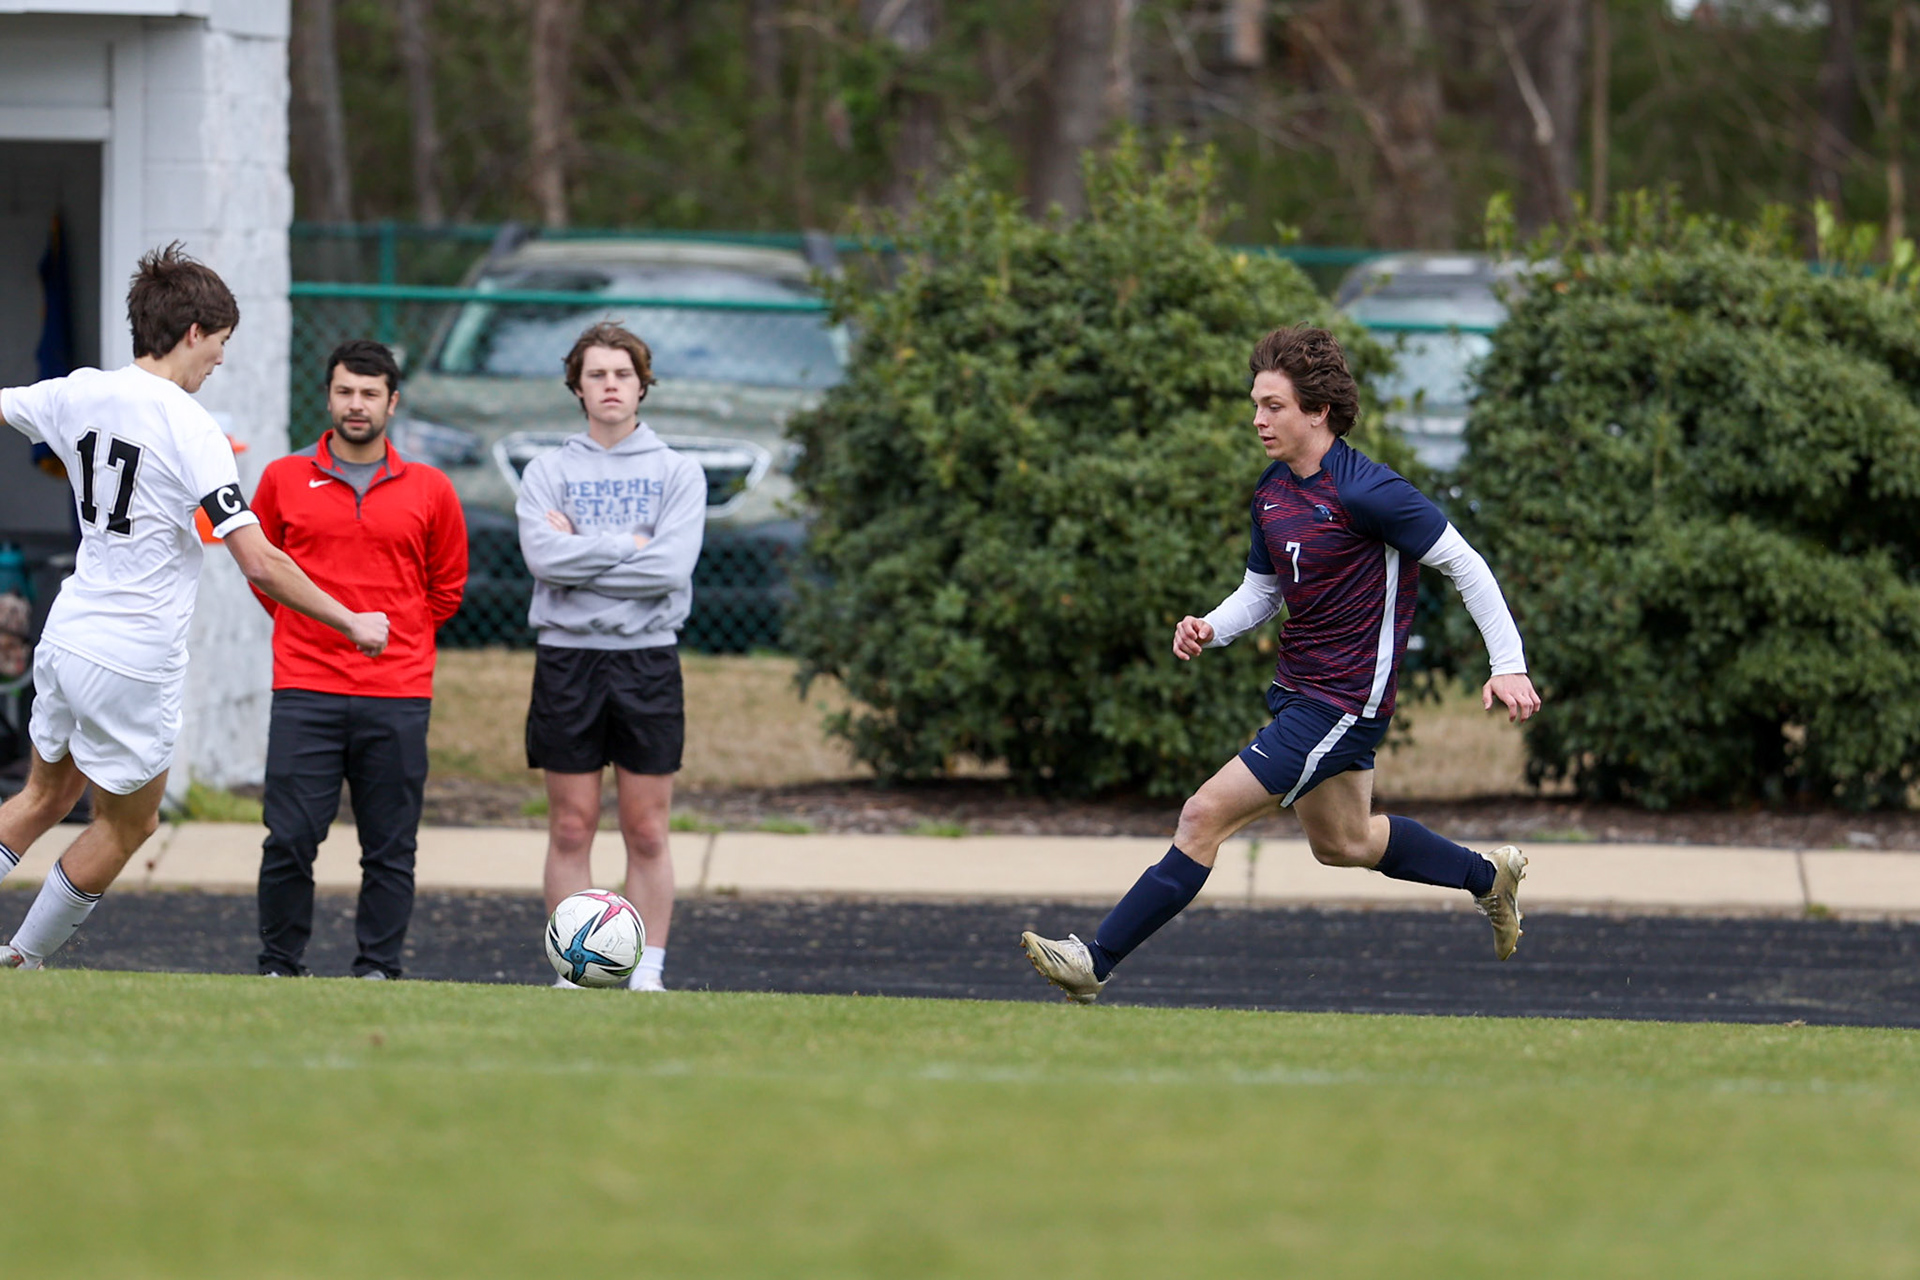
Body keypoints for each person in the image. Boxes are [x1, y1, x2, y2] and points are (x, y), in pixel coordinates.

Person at [1021, 324, 1542, 1003]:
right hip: (1301, 691)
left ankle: (1096, 959)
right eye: (1256, 404)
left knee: (1202, 815)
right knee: (1345, 843)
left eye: (1274, 405)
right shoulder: (1273, 491)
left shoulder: (1371, 492)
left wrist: (1509, 663)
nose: (1259, 419)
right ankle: (1487, 877)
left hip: (1344, 701)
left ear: (1318, 411)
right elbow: (1263, 592)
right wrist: (1212, 626)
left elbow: (1465, 565)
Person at [0, 243, 389, 970]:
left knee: (42, 796)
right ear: (191, 334)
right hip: (133, 654)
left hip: (68, 632)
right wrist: (351, 620)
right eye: (220, 345)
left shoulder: (77, 390)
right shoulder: (191, 428)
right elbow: (261, 564)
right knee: (130, 824)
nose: (219, 360)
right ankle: (22, 960)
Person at [250, 339, 468, 979]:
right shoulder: (283, 478)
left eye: (370, 393)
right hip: (304, 687)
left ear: (392, 403)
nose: (356, 404)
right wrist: (309, 628)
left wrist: (399, 638)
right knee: (289, 839)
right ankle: (278, 966)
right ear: (327, 396)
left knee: (391, 847)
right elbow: (264, 573)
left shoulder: (431, 488)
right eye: (345, 391)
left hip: (397, 693)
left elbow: (446, 588)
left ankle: (378, 969)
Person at [517, 321, 705, 991]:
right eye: (596, 375)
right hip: (568, 659)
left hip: (647, 661)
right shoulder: (547, 471)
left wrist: (583, 554)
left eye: (622, 374)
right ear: (577, 387)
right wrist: (629, 544)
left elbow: (669, 570)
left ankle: (646, 970)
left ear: (642, 385)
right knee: (571, 826)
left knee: (648, 829)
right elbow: (542, 558)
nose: (610, 386)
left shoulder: (678, 472)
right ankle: (576, 971)